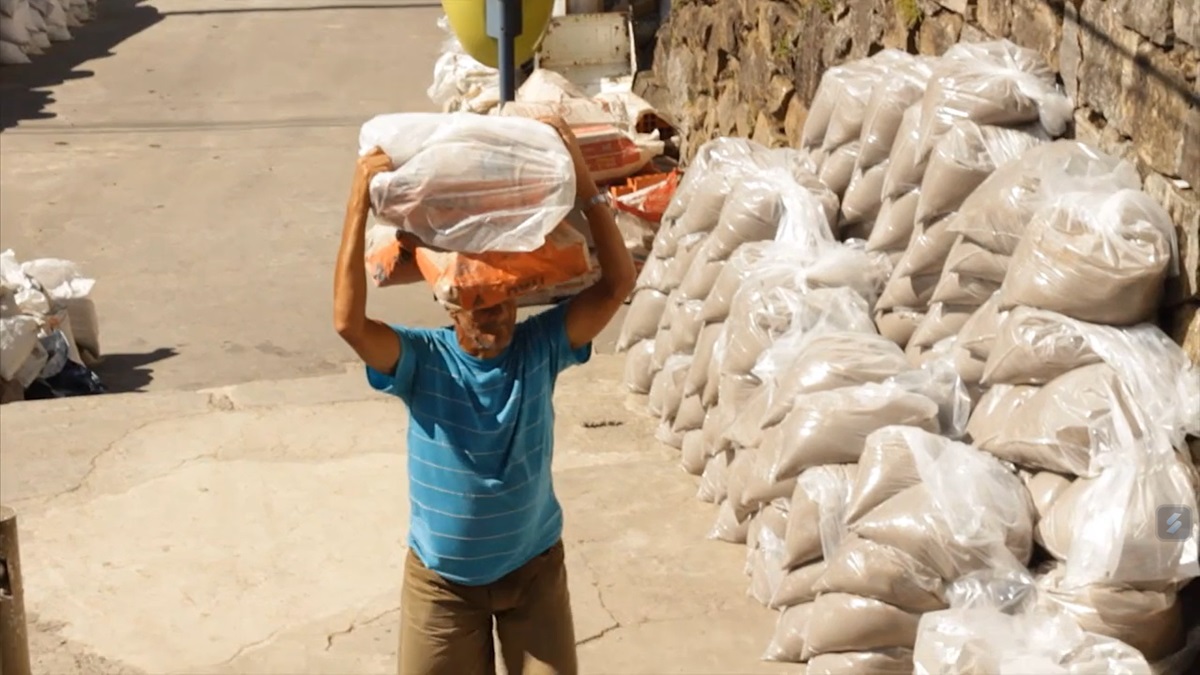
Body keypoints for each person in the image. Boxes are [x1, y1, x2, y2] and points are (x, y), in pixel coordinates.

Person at [332, 116, 636, 675]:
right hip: (443, 590)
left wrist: (584, 179)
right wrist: (358, 202)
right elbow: (350, 324)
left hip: (534, 573)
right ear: (450, 304)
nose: (493, 315)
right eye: (478, 304)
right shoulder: (422, 361)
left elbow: (617, 285)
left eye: (502, 300)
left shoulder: (540, 347)